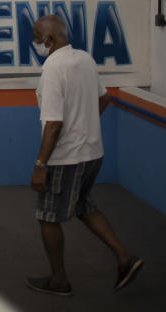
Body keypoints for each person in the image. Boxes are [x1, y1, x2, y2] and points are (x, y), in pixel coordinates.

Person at [27, 15, 143, 296]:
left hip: (67, 158)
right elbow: (105, 99)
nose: (35, 43)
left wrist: (40, 165)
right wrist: (84, 125)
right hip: (93, 153)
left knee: (47, 217)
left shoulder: (53, 68)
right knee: (83, 206)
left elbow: (53, 124)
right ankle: (124, 259)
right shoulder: (85, 59)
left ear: (49, 40)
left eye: (36, 37)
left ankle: (59, 281)